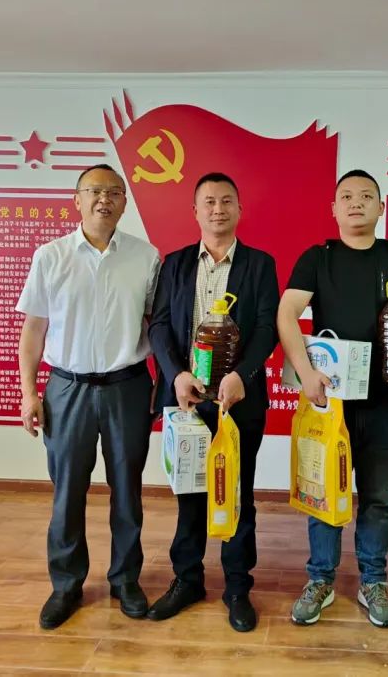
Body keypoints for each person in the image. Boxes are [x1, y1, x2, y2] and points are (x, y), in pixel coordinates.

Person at [278, 169, 388, 629]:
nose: (356, 203)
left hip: (385, 404)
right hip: (330, 405)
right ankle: (320, 579)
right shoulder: (318, 258)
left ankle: (374, 580)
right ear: (333, 208)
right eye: (347, 196)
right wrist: (305, 372)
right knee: (322, 494)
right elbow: (287, 312)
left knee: (377, 498)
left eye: (367, 196)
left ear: (380, 207)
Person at [16, 164, 161, 629]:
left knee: (128, 490)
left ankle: (125, 579)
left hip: (128, 387)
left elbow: (157, 326)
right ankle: (66, 585)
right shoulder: (51, 256)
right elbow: (33, 330)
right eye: (94, 191)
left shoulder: (145, 256)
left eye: (114, 192)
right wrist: (29, 393)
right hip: (67, 389)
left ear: (125, 202)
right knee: (67, 492)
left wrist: (167, 381)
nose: (104, 199)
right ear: (76, 200)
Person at [146, 172, 279, 633]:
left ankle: (238, 588)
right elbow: (159, 325)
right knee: (189, 495)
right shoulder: (176, 263)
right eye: (209, 202)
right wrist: (176, 374)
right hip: (187, 400)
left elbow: (267, 328)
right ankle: (187, 580)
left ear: (239, 209)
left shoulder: (259, 264)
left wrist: (242, 376)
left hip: (238, 401)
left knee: (237, 495)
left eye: (226, 201)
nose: (217, 209)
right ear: (195, 211)